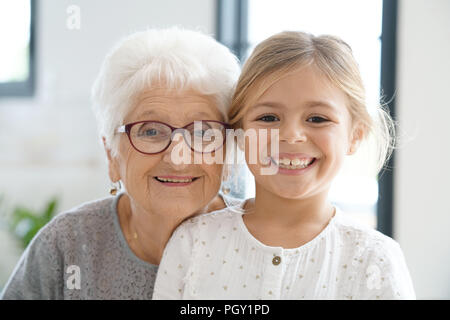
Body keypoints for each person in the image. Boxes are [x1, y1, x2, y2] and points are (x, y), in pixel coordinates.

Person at [152, 31, 416, 300]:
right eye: (268, 117)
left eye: (317, 118)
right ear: (240, 133)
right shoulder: (193, 243)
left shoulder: (374, 258)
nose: (291, 135)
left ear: (354, 136)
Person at [1, 27, 240, 299]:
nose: (177, 157)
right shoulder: (65, 245)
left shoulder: (263, 244)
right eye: (151, 131)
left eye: (201, 132)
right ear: (112, 154)